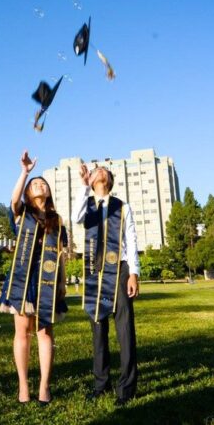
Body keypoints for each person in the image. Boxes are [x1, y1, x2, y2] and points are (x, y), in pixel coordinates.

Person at [0, 151, 67, 405]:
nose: (40, 184)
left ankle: (44, 386)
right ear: (29, 192)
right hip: (23, 278)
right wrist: (25, 172)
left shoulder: (57, 220)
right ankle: (23, 385)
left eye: (43, 183)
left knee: (45, 332)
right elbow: (13, 200)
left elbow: (61, 255)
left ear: (49, 192)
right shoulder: (22, 214)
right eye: (34, 184)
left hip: (48, 280)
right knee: (22, 332)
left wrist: (61, 284)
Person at [74, 163, 140, 406]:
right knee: (97, 327)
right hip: (94, 271)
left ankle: (127, 387)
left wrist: (134, 273)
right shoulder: (87, 205)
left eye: (104, 169)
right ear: (91, 180)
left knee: (124, 328)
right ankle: (101, 384)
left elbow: (131, 240)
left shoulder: (122, 207)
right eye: (96, 169)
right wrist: (83, 186)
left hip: (120, 269)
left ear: (110, 179)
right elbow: (75, 218)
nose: (99, 169)